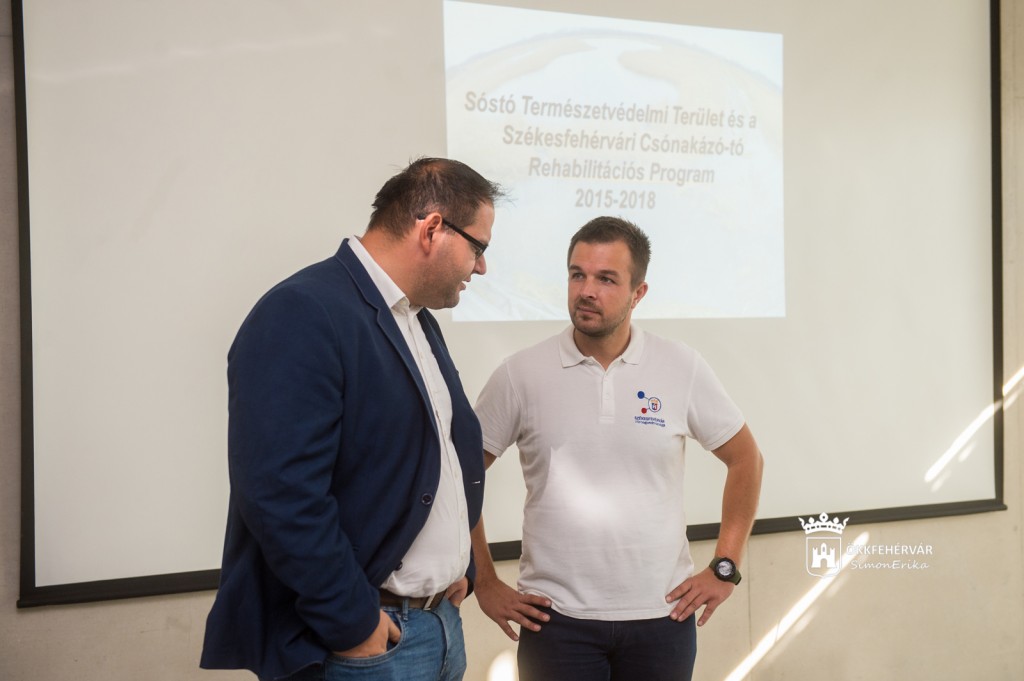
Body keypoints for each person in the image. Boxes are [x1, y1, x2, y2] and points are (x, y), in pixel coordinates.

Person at [200, 157, 504, 681]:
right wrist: (353, 622)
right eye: (478, 247)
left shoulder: (414, 318)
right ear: (432, 229)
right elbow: (280, 493)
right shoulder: (303, 311)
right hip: (369, 643)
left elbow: (437, 454)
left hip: (439, 625)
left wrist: (459, 566)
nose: (480, 268)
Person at [470, 216, 764, 681]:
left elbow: (746, 458)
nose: (586, 290)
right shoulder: (520, 374)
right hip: (555, 621)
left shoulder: (680, 366)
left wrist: (724, 566)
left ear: (638, 293)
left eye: (606, 279)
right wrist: (483, 580)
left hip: (663, 617)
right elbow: (460, 474)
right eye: (577, 274)